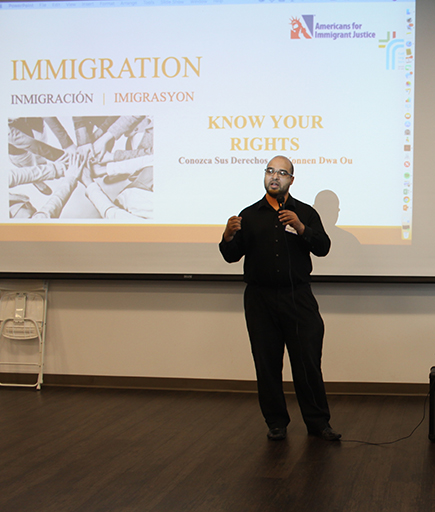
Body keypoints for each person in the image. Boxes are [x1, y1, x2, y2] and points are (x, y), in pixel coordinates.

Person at [219, 155, 341, 442]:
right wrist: (227, 236)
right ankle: (276, 422)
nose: (275, 177)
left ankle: (318, 423)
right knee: (267, 363)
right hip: (260, 300)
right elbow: (231, 255)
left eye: (282, 173)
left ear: (291, 180)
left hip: (297, 297)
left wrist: (300, 227)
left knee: (307, 362)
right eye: (270, 171)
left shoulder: (306, 213)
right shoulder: (249, 215)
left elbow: (322, 247)